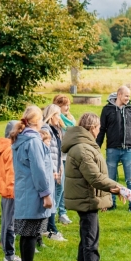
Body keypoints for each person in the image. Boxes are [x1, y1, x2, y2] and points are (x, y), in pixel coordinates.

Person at [63, 113, 122, 261]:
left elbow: (96, 177)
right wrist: (118, 187)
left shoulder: (84, 146)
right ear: (91, 128)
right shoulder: (83, 149)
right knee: (91, 240)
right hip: (85, 199)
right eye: (97, 127)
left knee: (86, 237)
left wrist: (102, 198)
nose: (99, 131)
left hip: (88, 198)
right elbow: (95, 178)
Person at [10, 106, 54, 261]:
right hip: (33, 192)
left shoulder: (20, 139)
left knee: (26, 233)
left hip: (24, 191)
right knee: (30, 233)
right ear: (37, 121)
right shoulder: (33, 141)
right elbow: (38, 170)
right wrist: (46, 194)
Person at [0, 120, 21, 261]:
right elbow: (12, 174)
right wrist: (15, 192)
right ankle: (9, 256)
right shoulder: (11, 150)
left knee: (6, 223)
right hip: (11, 192)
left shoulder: (4, 147)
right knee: (11, 224)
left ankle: (8, 253)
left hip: (5, 191)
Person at [41, 104, 67, 242]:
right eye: (57, 114)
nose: (59, 117)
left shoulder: (56, 129)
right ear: (51, 115)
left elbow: (57, 149)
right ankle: (50, 228)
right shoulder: (46, 129)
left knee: (59, 191)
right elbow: (47, 152)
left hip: (57, 165)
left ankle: (48, 224)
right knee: (51, 196)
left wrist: (60, 166)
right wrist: (52, 170)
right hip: (50, 169)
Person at [52, 94, 74, 225]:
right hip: (59, 157)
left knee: (64, 186)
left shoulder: (70, 119)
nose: (67, 107)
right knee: (59, 186)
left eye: (68, 104)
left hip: (68, 156)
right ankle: (53, 213)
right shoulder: (55, 120)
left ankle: (62, 212)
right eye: (64, 105)